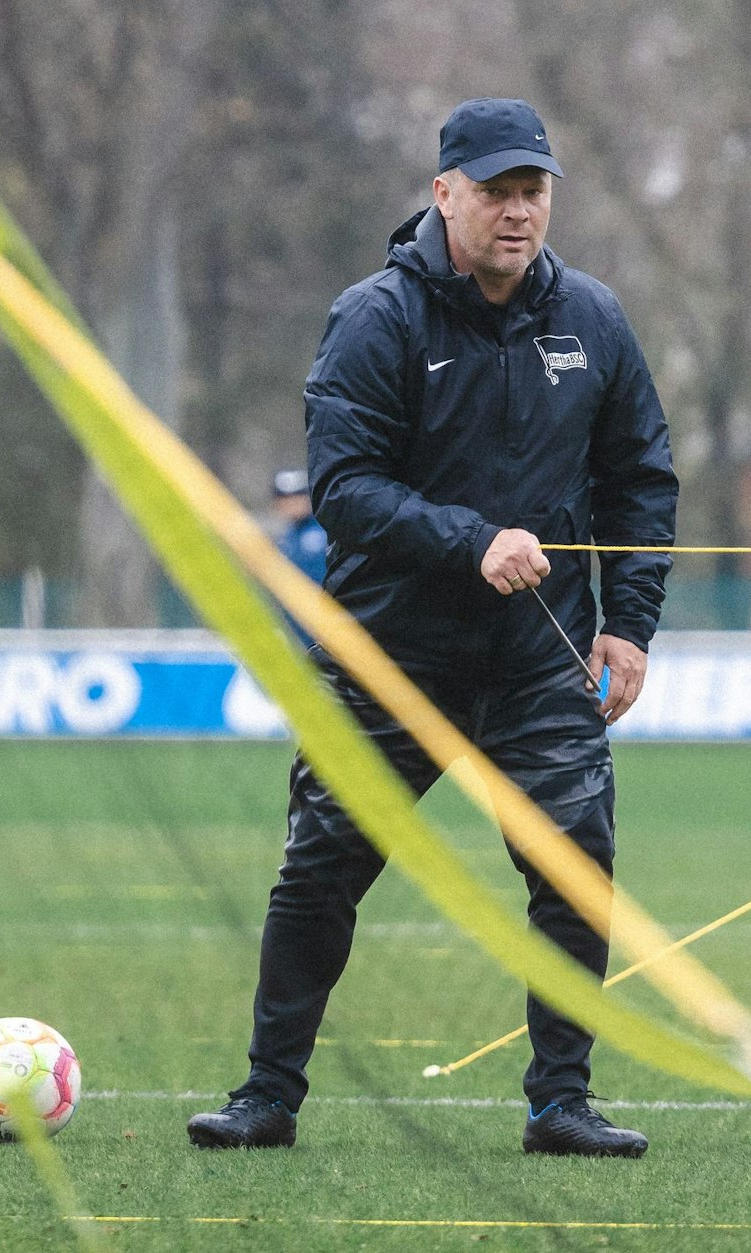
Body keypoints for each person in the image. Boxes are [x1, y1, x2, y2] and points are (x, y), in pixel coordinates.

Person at [188, 98, 677, 1158]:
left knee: (574, 865)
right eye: (495, 190)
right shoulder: (375, 316)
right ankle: (266, 1092)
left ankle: (561, 1103)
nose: (516, 211)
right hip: (389, 656)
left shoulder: (592, 318)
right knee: (320, 868)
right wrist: (471, 541)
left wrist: (629, 626)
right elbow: (345, 488)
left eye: (532, 190)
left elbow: (638, 478)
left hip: (541, 660)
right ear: (442, 193)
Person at [272, 470, 327, 642]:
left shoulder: (326, 530)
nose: (292, 503)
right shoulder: (286, 539)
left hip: (327, 627)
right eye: (285, 498)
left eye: (298, 496)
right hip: (296, 630)